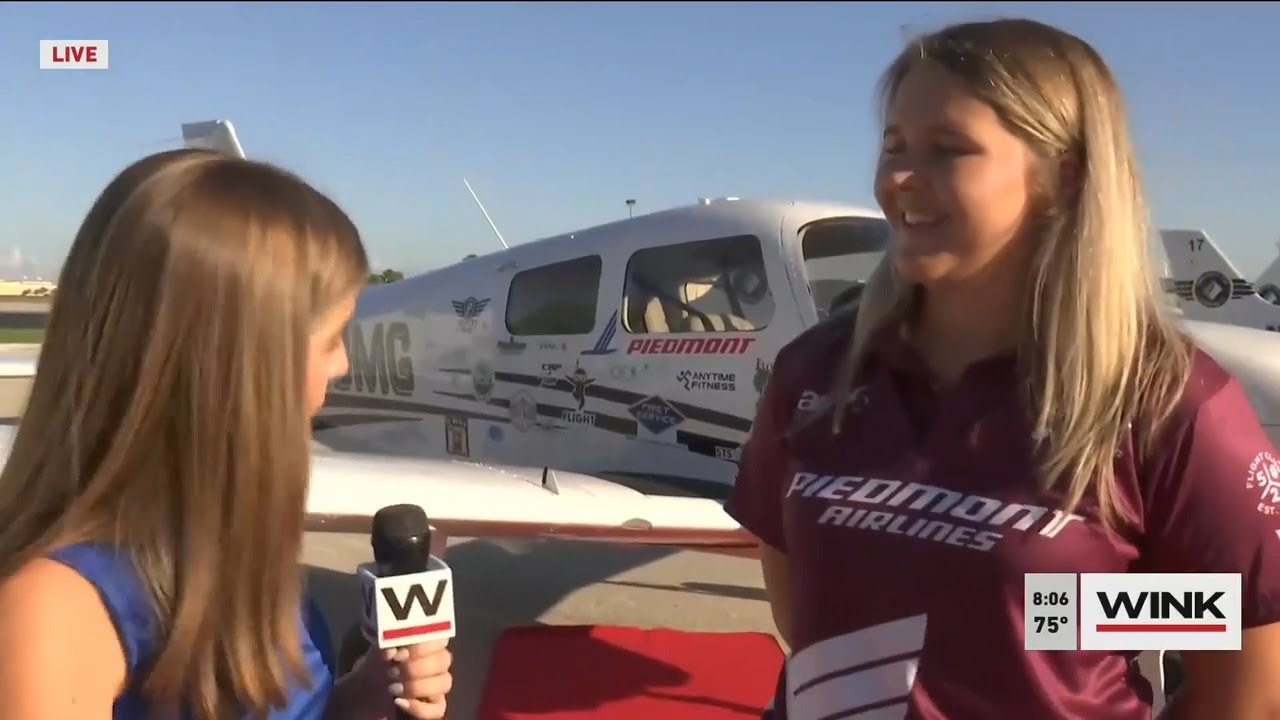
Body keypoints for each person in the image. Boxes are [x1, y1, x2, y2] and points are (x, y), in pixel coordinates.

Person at [729, 17, 1280, 720]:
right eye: (893, 146)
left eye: (947, 150)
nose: (897, 178)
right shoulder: (813, 373)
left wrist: (1050, 612)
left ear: (1063, 177)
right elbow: (801, 606)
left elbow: (1249, 683)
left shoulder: (1171, 405)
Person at [0, 149, 453, 719]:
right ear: (241, 369)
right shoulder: (53, 613)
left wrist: (359, 699)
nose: (341, 367)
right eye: (333, 338)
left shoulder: (222, 546)